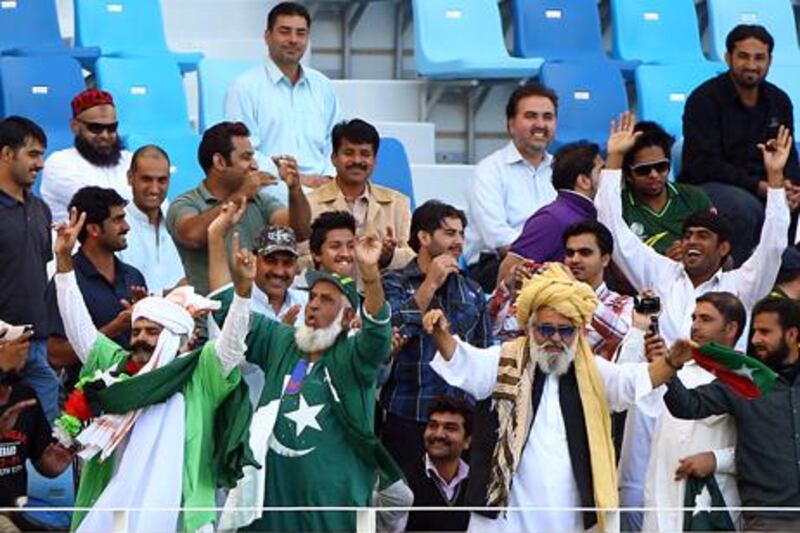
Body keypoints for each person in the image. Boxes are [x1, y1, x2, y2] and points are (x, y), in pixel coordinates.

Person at [422, 263, 683, 532]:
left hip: (567, 514)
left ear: (580, 332)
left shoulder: (592, 372)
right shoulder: (505, 360)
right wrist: (440, 332)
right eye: (546, 330)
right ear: (530, 327)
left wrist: (673, 361)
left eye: (566, 331)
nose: (555, 339)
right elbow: (465, 360)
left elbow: (632, 381)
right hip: (506, 515)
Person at [51, 208, 251, 532]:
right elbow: (79, 331)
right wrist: (63, 263)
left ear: (177, 338)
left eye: (153, 331)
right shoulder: (118, 370)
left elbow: (231, 346)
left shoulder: (199, 374)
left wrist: (242, 295)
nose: (141, 338)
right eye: (137, 330)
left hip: (180, 517)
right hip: (117, 517)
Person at [215, 228, 402, 532]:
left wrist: (369, 274)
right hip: (271, 500)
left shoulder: (355, 355)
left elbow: (379, 336)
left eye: (326, 300)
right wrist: (243, 285)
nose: (313, 304)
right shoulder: (283, 340)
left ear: (346, 316)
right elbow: (228, 313)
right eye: (312, 297)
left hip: (331, 503)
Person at [597, 112, 791, 346]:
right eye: (687, 235)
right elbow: (611, 229)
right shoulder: (659, 273)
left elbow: (774, 245)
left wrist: (776, 177)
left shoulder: (742, 285)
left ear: (723, 248)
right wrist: (615, 157)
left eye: (703, 236)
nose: (692, 241)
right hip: (663, 379)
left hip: (720, 382)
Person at [664, 296, 800, 531]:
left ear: (792, 335)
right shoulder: (745, 379)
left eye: (765, 332)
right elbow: (687, 405)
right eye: (754, 332)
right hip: (768, 520)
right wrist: (668, 367)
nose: (756, 339)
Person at [381, 200, 491, 469]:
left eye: (461, 234)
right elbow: (388, 333)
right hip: (406, 414)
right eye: (450, 233)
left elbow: (483, 354)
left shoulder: (473, 290)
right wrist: (430, 283)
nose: (458, 242)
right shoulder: (393, 282)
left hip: (459, 422)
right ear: (423, 237)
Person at [680, 24, 800, 265]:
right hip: (710, 185)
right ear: (728, 57)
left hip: (764, 185)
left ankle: (782, 280)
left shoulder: (779, 100)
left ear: (769, 60)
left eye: (759, 58)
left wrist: (790, 186)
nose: (752, 65)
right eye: (743, 56)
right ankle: (734, 285)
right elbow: (705, 164)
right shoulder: (704, 99)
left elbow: (788, 155)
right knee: (744, 208)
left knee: (789, 201)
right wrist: (761, 187)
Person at [166, 121, 311, 295]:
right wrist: (240, 195)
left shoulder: (261, 201)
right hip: (208, 313)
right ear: (219, 162)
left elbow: (299, 232)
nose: (255, 165)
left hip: (257, 310)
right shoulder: (186, 203)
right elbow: (192, 235)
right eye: (246, 157)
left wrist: (295, 190)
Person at [642, 292, 745, 532]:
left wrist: (717, 460)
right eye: (694, 317)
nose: (695, 326)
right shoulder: (673, 371)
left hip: (713, 508)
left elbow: (763, 451)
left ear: (731, 328)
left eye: (706, 319)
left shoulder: (746, 379)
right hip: (662, 505)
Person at [225, 1, 340, 189]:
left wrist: (328, 177)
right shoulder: (244, 87)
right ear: (267, 36)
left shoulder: (323, 85)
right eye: (285, 31)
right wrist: (296, 178)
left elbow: (335, 141)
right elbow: (242, 151)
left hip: (323, 186)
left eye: (300, 33)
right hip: (272, 186)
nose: (293, 40)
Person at [45, 187, 147, 388]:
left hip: (138, 390)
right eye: (117, 220)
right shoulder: (66, 283)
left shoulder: (134, 276)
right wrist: (114, 327)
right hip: (89, 402)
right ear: (93, 230)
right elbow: (54, 355)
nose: (126, 226)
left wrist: (147, 316)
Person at [464, 82, 558, 292]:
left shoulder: (560, 170)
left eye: (548, 117)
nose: (540, 124)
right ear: (511, 124)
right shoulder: (488, 171)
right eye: (531, 116)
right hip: (493, 267)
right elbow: (497, 237)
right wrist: (548, 258)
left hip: (554, 265)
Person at [0, 116, 59, 422]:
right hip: (2, 346)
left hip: (37, 345)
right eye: (33, 154)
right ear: (7, 154)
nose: (41, 164)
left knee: (50, 450)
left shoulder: (41, 209)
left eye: (42, 154)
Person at [304, 119, 414, 273]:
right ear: (334, 158)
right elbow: (301, 260)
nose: (357, 160)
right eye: (349, 153)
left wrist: (387, 257)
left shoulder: (397, 203)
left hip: (381, 293)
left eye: (365, 154)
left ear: (375, 161)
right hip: (330, 292)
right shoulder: (310, 204)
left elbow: (413, 258)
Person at [496, 141, 604, 286]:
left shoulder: (589, 213)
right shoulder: (551, 219)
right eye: (601, 171)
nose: (607, 177)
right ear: (584, 181)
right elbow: (507, 273)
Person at [621, 121, 713, 260]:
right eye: (643, 170)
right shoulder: (618, 207)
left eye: (661, 167)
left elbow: (723, 259)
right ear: (628, 175)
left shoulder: (694, 198)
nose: (654, 175)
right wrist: (665, 265)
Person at [208, 199, 307, 324]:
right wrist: (216, 233)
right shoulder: (236, 302)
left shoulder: (308, 303)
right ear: (255, 259)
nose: (279, 271)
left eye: (287, 263)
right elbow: (220, 295)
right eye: (271, 261)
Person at [41, 89, 133, 223]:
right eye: (95, 128)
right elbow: (100, 208)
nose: (105, 135)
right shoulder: (59, 163)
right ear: (74, 126)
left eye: (112, 128)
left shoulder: (130, 160)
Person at [0, 368, 75, 526]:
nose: (25, 348)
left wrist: (52, 464)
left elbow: (43, 461)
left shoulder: (25, 394)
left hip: (16, 512)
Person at [117, 145, 185, 295]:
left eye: (162, 180)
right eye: (146, 179)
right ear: (130, 178)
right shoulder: (115, 225)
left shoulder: (181, 222)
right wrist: (167, 295)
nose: (154, 189)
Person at [402, 396, 472, 532]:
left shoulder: (480, 485)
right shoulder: (405, 482)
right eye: (433, 426)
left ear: (467, 441)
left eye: (450, 428)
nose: (439, 434)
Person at [307, 210, 357, 278]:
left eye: (351, 246)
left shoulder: (351, 287)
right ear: (316, 254)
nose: (345, 253)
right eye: (335, 246)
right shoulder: (302, 287)